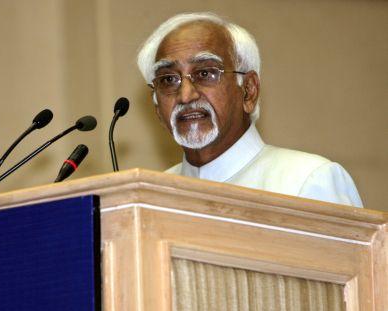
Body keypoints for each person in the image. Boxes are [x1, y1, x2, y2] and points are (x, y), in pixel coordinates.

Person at [137, 12, 363, 207]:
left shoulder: (306, 180)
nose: (186, 95)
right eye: (168, 79)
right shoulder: (152, 197)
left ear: (248, 91)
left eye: (205, 73)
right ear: (157, 106)